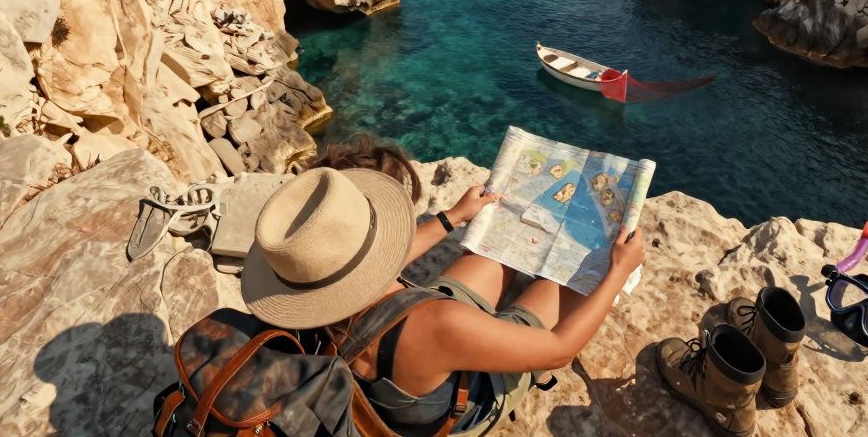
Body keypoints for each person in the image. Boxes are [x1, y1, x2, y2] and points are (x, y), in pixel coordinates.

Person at [240, 139, 645, 436]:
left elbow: (376, 264)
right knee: (567, 287)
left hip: (405, 361)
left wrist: (454, 217)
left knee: (495, 251)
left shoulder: (304, 298)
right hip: (460, 398)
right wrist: (615, 275)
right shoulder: (440, 322)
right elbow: (559, 351)